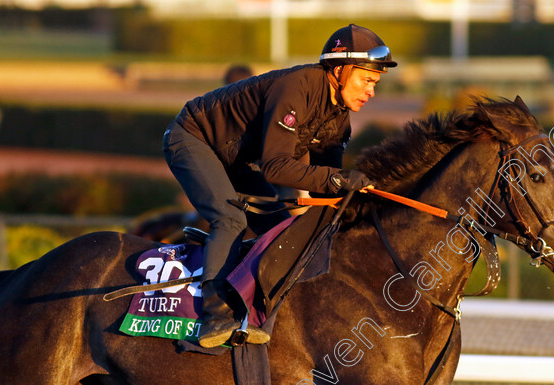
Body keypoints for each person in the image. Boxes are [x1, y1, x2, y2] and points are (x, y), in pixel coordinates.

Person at [163, 24, 397, 348]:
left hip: (238, 159)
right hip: (192, 138)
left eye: (375, 83)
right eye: (367, 80)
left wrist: (354, 197)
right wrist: (339, 181)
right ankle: (213, 316)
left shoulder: (339, 116)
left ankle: (255, 309)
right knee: (230, 219)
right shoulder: (298, 86)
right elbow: (275, 166)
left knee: (283, 229)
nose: (371, 91)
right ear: (340, 69)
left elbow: (327, 183)